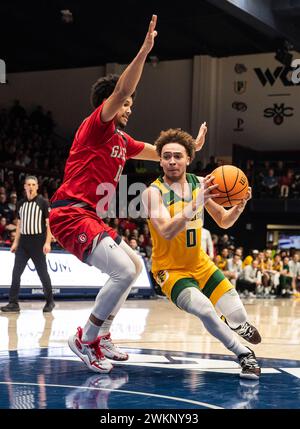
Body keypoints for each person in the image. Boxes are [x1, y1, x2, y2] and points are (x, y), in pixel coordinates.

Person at [49, 15, 208, 374]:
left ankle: (102, 334)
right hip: (70, 212)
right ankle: (84, 337)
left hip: (89, 214)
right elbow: (120, 91)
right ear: (108, 103)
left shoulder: (123, 141)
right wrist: (144, 50)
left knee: (134, 266)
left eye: (131, 104)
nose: (129, 107)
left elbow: (161, 151)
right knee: (123, 269)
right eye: (125, 103)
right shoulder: (96, 127)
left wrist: (189, 146)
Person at [142, 128, 261, 379]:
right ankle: (244, 354)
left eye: (177, 156)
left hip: (200, 263)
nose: (172, 161)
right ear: (160, 160)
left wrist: (239, 206)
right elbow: (165, 231)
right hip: (170, 270)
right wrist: (194, 204)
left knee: (237, 313)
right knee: (205, 309)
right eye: (166, 156)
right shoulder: (153, 193)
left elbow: (224, 221)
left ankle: (237, 323)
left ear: (188, 159)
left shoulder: (200, 183)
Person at [1, 176, 54, 313]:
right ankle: (13, 303)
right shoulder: (20, 203)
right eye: (28, 184)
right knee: (16, 273)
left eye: (33, 184)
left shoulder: (43, 202)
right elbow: (19, 225)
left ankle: (50, 301)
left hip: (38, 243)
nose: (30, 187)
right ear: (24, 187)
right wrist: (15, 242)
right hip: (23, 244)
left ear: (37, 186)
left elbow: (49, 226)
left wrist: (47, 242)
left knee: (43, 274)